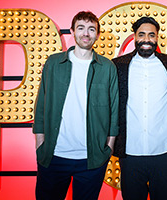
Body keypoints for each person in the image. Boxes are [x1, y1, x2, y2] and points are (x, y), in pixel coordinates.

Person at [33, 11, 119, 200]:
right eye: (81, 28)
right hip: (54, 155)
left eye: (91, 29)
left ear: (97, 34)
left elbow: (114, 109)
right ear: (72, 31)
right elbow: (41, 104)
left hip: (92, 159)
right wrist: (40, 144)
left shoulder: (107, 67)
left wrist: (109, 147)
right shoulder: (54, 63)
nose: (86, 33)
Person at [112, 17, 167, 200]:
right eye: (141, 34)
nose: (147, 39)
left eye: (152, 35)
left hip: (165, 152)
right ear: (134, 37)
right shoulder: (118, 65)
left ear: (157, 38)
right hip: (130, 153)